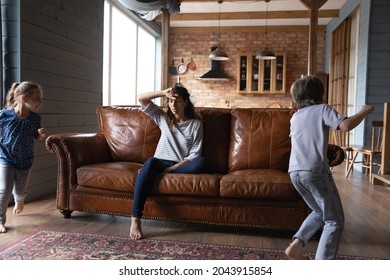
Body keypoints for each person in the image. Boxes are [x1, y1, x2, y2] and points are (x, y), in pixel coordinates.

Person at [285, 75, 374, 260]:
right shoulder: (322, 109)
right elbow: (345, 125)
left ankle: (296, 245)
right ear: (319, 94)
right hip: (315, 172)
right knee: (334, 221)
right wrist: (364, 111)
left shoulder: (295, 117)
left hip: (294, 173)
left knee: (319, 211)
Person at [130, 85, 207, 240]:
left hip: (180, 164)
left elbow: (194, 155)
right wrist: (163, 92)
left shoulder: (195, 124)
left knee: (202, 161)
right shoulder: (163, 118)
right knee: (151, 162)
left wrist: (172, 169)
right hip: (159, 162)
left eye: (177, 101)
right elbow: (141, 98)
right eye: (170, 101)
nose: (173, 105)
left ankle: (152, 172)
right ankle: (135, 218)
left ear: (186, 102)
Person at [0, 81, 48, 233]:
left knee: (20, 191)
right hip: (6, 157)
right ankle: (0, 220)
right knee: (4, 190)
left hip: (25, 158)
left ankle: (20, 200)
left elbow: (34, 136)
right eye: (37, 99)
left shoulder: (35, 118)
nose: (40, 102)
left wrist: (39, 135)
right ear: (24, 98)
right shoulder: (5, 115)